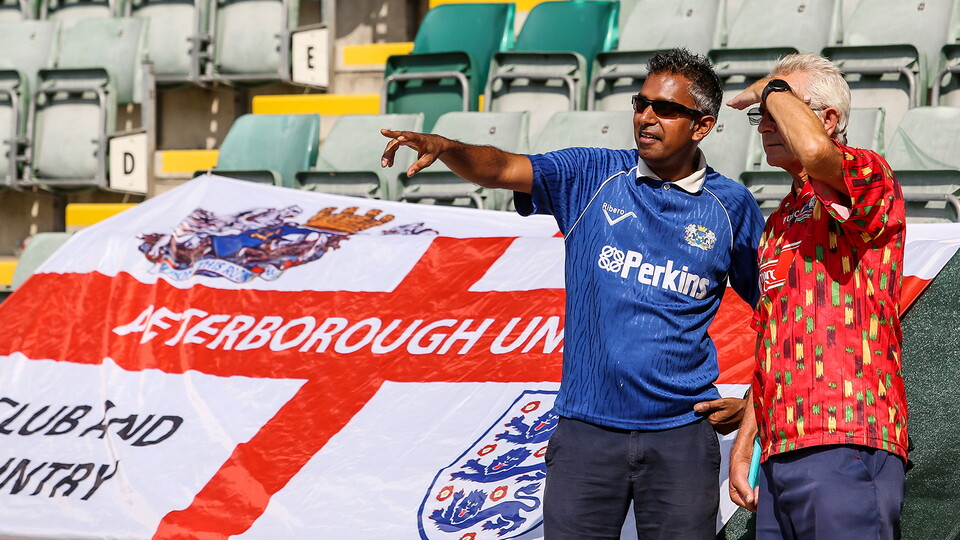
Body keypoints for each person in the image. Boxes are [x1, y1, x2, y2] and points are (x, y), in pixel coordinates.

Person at [381, 48, 763, 539]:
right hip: (586, 433)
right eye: (641, 103)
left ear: (702, 126)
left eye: (665, 109)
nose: (646, 117)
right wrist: (448, 147)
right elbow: (501, 168)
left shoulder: (732, 205)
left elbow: (780, 313)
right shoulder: (590, 174)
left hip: (682, 438)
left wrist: (753, 403)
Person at [726, 53, 908, 539]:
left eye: (779, 108)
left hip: (848, 437)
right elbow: (772, 341)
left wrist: (769, 88)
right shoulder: (777, 221)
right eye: (761, 113)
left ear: (828, 119)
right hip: (779, 451)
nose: (766, 123)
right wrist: (746, 444)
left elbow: (814, 151)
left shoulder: (868, 172)